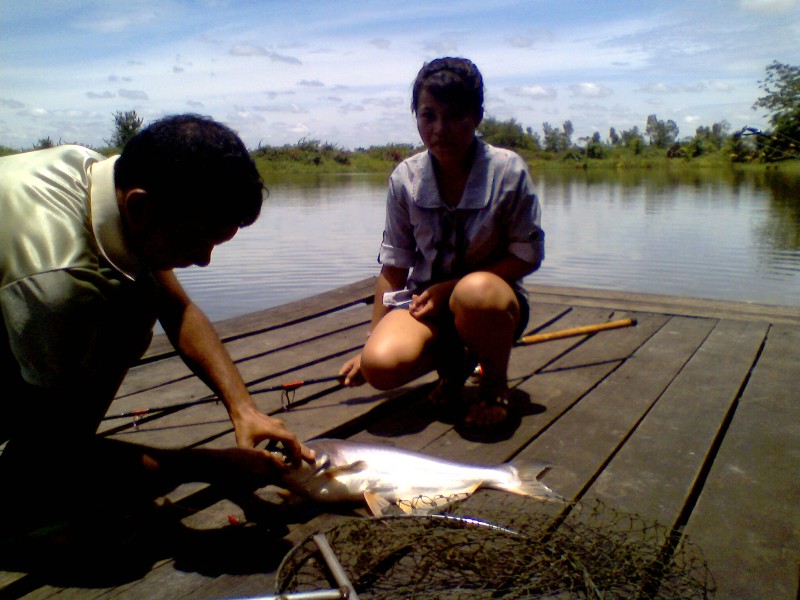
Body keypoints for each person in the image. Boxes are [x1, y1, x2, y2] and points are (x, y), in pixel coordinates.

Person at [0, 114, 314, 534]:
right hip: (34, 296)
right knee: (44, 481)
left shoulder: (102, 175)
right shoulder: (58, 284)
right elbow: (46, 460)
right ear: (141, 207)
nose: (204, 260)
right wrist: (206, 465)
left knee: (137, 292)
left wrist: (244, 409)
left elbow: (177, 308)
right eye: (198, 241)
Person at [339, 57, 544, 429]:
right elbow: (394, 266)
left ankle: (495, 383)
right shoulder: (405, 179)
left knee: (475, 291)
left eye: (455, 116)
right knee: (380, 367)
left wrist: (451, 289)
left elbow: (527, 257)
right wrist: (371, 342)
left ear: (477, 116)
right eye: (428, 115)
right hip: (426, 306)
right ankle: (455, 366)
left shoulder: (508, 171)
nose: (440, 129)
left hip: (493, 308)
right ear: (416, 116)